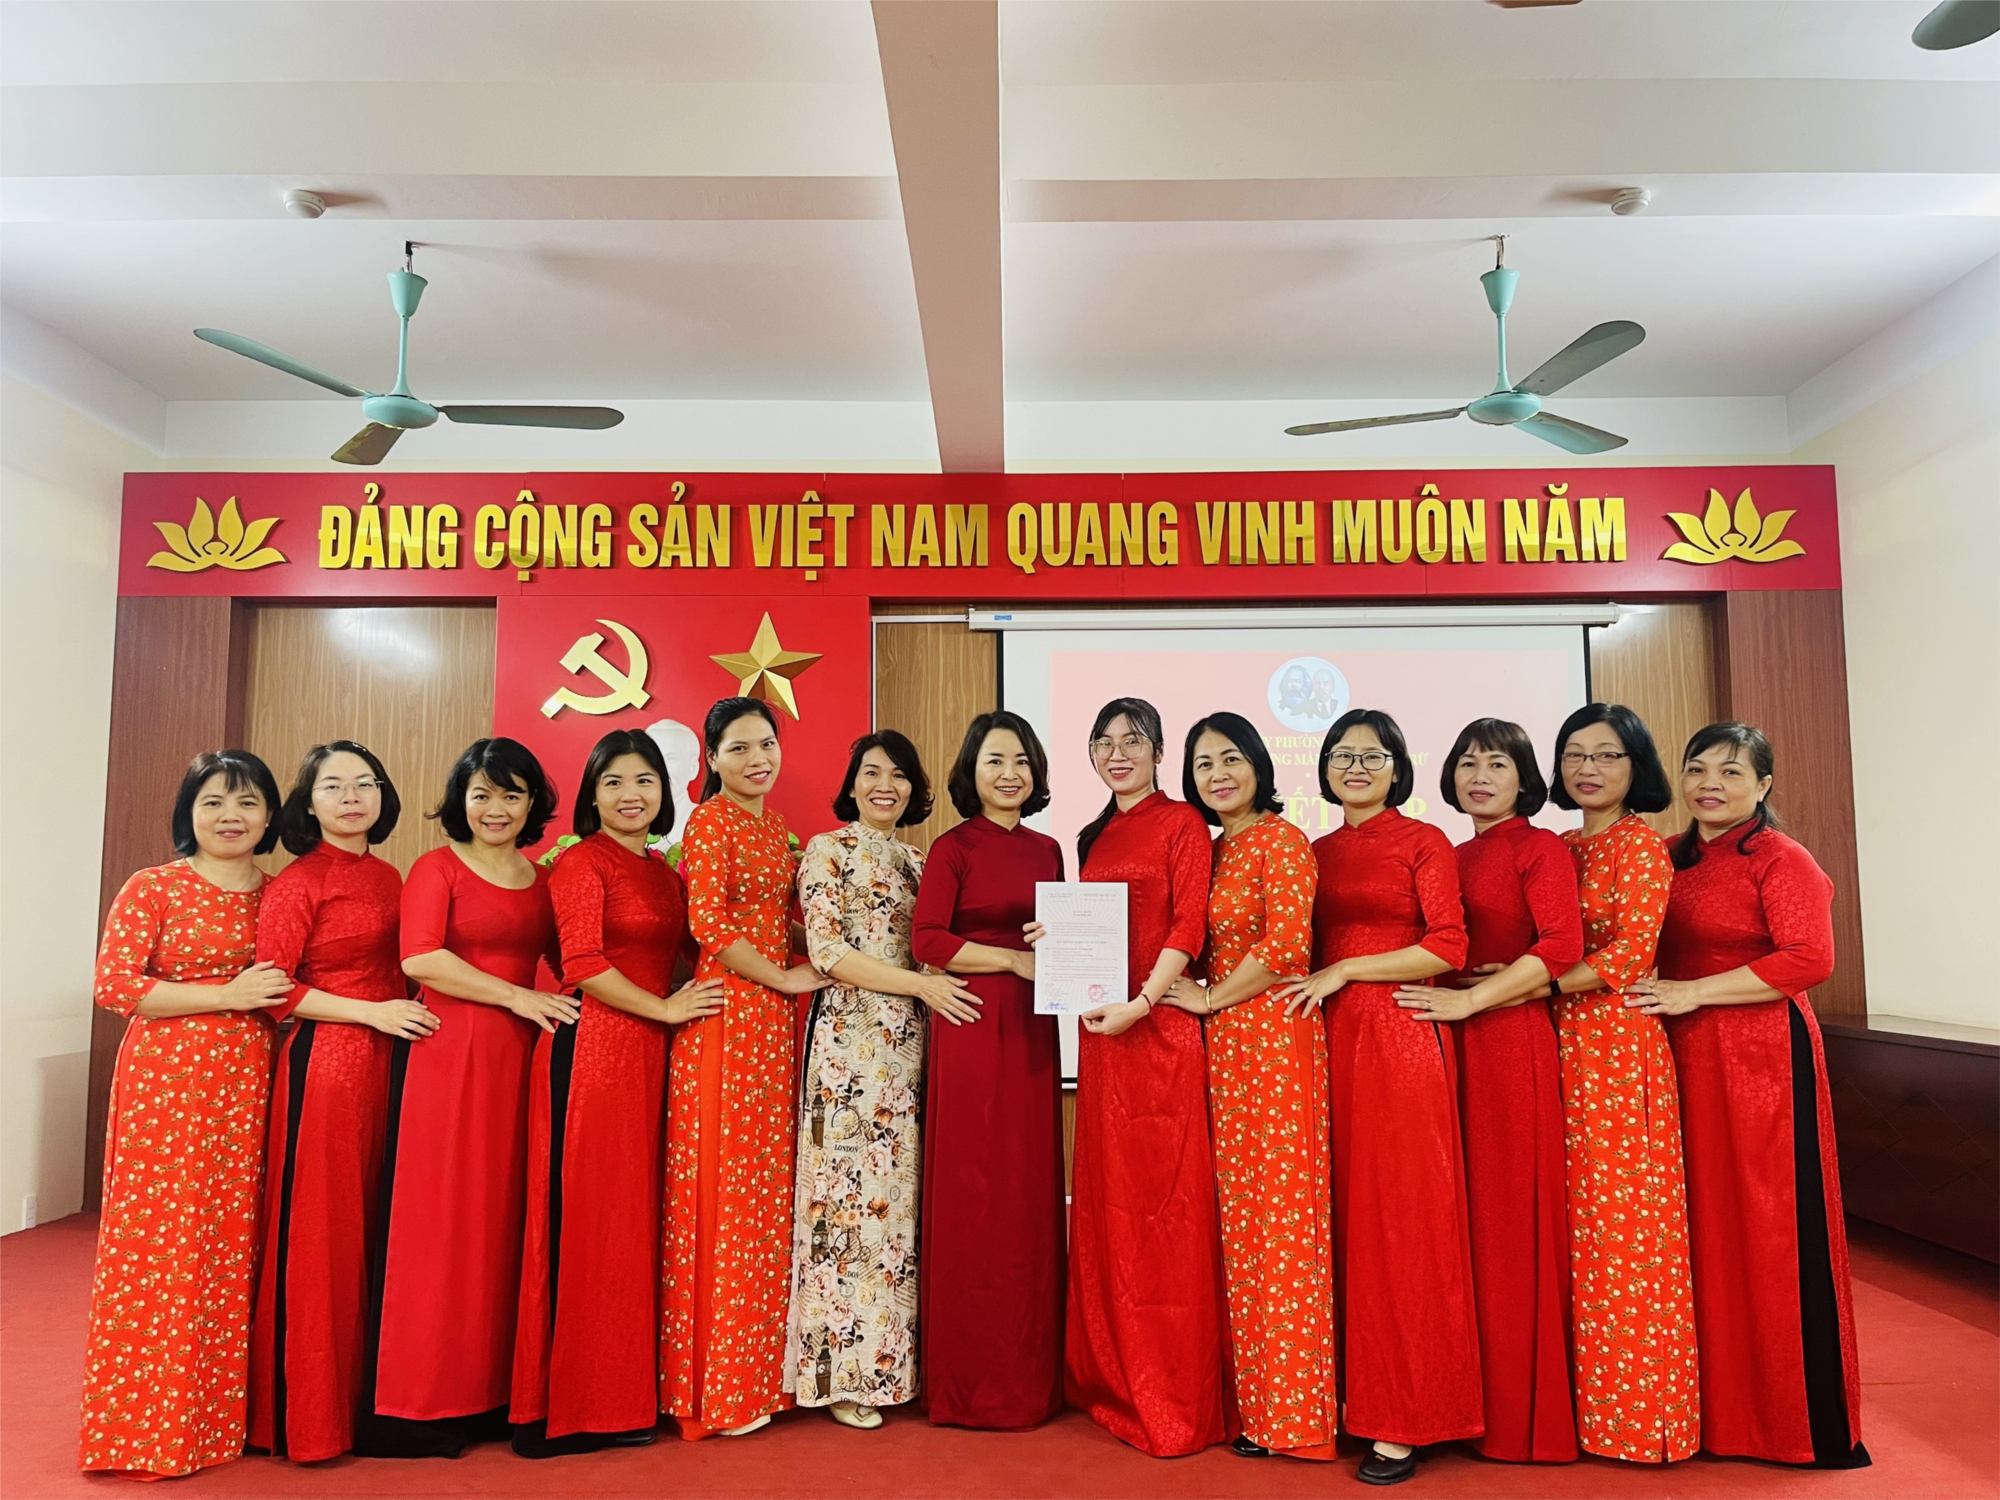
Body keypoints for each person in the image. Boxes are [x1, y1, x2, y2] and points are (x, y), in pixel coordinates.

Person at [1633, 723, 1869, 1469]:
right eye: (1697, 769)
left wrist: (1695, 991)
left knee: (1766, 1228)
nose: (1711, 784)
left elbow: (1809, 958)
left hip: (1760, 1059)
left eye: (1731, 773)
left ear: (1764, 784)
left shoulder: (1781, 858)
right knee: (1696, 1228)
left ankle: (1784, 1421)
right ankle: (1702, 1411)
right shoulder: (1665, 856)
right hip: (1678, 1054)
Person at [1280, 708, 1481, 1486]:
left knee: (1400, 1221)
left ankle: (1404, 1416)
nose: (1355, 767)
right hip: (1318, 1042)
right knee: (1326, 1220)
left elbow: (1448, 946)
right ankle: (1323, 1400)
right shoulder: (1312, 851)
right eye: (1341, 754)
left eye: (1371, 756)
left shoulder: (1424, 841)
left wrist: (1346, 970)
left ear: (1399, 767)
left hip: (1397, 1037)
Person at [511, 730, 724, 1458]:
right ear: (592, 795)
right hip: (594, 1056)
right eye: (614, 782)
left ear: (665, 792)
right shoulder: (581, 862)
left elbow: (705, 946)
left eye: (645, 781)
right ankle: (568, 1410)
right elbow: (580, 962)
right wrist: (664, 1008)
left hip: (652, 1059)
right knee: (590, 1223)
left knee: (634, 1225)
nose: (631, 795)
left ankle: (623, 1396)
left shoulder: (665, 873)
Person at [356, 738, 570, 1458]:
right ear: (460, 800)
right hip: (449, 1054)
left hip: (521, 1057)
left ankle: (494, 1394)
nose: (495, 809)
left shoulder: (544, 879)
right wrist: (516, 996)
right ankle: (420, 1400)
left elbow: (574, 957)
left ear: (533, 803)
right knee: (442, 1221)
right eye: (481, 794)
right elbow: (420, 957)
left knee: (502, 1220)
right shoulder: (437, 866)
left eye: (511, 794)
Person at [81, 750, 291, 1478]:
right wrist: (228, 995)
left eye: (247, 802)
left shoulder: (281, 894)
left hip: (252, 1083)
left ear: (270, 815)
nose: (231, 816)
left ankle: (219, 1420)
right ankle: (143, 1427)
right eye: (213, 802)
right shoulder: (154, 887)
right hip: (165, 1085)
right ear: (188, 813)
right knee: (158, 1246)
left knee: (234, 1241)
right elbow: (115, 985)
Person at [1391, 719, 1581, 1464]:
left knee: (1507, 1223)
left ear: (1525, 777)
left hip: (1507, 1041)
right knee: (1450, 1220)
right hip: (1443, 1040)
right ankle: (1452, 1396)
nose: (1479, 777)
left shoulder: (1540, 848)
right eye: (1468, 763)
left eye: (1497, 764)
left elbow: (1561, 946)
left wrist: (1475, 1000)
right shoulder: (1449, 851)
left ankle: (1512, 1416)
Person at [248, 742, 439, 1463]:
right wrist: (371, 1014)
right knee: (324, 1232)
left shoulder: (391, 875)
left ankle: (372, 1403)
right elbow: (275, 989)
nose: (352, 797)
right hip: (328, 1064)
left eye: (365, 784)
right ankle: (309, 1415)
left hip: (395, 1063)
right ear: (308, 802)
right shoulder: (299, 882)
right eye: (333, 786)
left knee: (380, 1229)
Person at [1160, 712, 1336, 1461]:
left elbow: (1287, 944)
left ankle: (1297, 1416)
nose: (1218, 775)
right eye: (1203, 764)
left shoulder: (1282, 840)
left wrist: (1209, 999)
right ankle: (1258, 1408)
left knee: (1283, 1221)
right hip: (1227, 1049)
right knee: (1243, 1226)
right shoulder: (1210, 848)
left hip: (1273, 1036)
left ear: (1260, 765)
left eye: (1230, 758)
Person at [1062, 699, 1234, 1457]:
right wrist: (1054, 939)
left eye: (1133, 740)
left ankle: (1172, 1386)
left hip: (1158, 1028)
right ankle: (1114, 1372)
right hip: (1104, 1032)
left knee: (1168, 1205)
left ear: (1160, 751)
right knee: (1114, 1201)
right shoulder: (1092, 833)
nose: (1118, 753)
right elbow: (1092, 929)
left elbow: (1187, 925)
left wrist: (1142, 1002)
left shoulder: (1183, 823)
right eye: (1104, 742)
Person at [785, 731, 970, 1430]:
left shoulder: (920, 860)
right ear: (852, 784)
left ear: (915, 788)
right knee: (845, 1206)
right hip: (851, 1044)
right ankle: (842, 1376)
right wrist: (919, 986)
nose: (885, 785)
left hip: (912, 1045)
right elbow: (828, 951)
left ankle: (896, 1368)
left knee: (896, 1209)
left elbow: (936, 948)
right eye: (871, 773)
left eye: (899, 775)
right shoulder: (827, 849)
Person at [664, 698, 828, 1440]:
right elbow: (709, 924)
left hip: (771, 1026)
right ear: (713, 758)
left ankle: (761, 1376)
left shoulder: (773, 828)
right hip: (728, 1016)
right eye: (739, 748)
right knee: (726, 1196)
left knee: (765, 1199)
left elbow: (781, 920)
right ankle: (719, 1389)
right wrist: (784, 976)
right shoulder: (711, 822)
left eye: (767, 744)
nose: (758, 759)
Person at [1545, 703, 1700, 1463]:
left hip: (1613, 1049)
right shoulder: (1561, 845)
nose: (1588, 768)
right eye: (1575, 753)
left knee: (1623, 1233)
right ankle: (1575, 1408)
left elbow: (1627, 955)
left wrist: (1524, 986)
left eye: (1607, 755)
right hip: (1553, 1043)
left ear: (1637, 766)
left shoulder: (1640, 846)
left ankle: (1641, 1421)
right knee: (1571, 1230)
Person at [909, 710, 1066, 1429]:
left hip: (1033, 1027)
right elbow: (928, 941)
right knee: (973, 1187)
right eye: (996, 760)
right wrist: (1011, 957)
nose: (1010, 774)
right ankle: (966, 1381)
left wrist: (1052, 942)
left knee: (1027, 1186)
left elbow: (1060, 939)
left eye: (1022, 761)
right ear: (971, 771)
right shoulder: (951, 847)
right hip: (971, 1019)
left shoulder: (1048, 849)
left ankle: (1029, 1377)